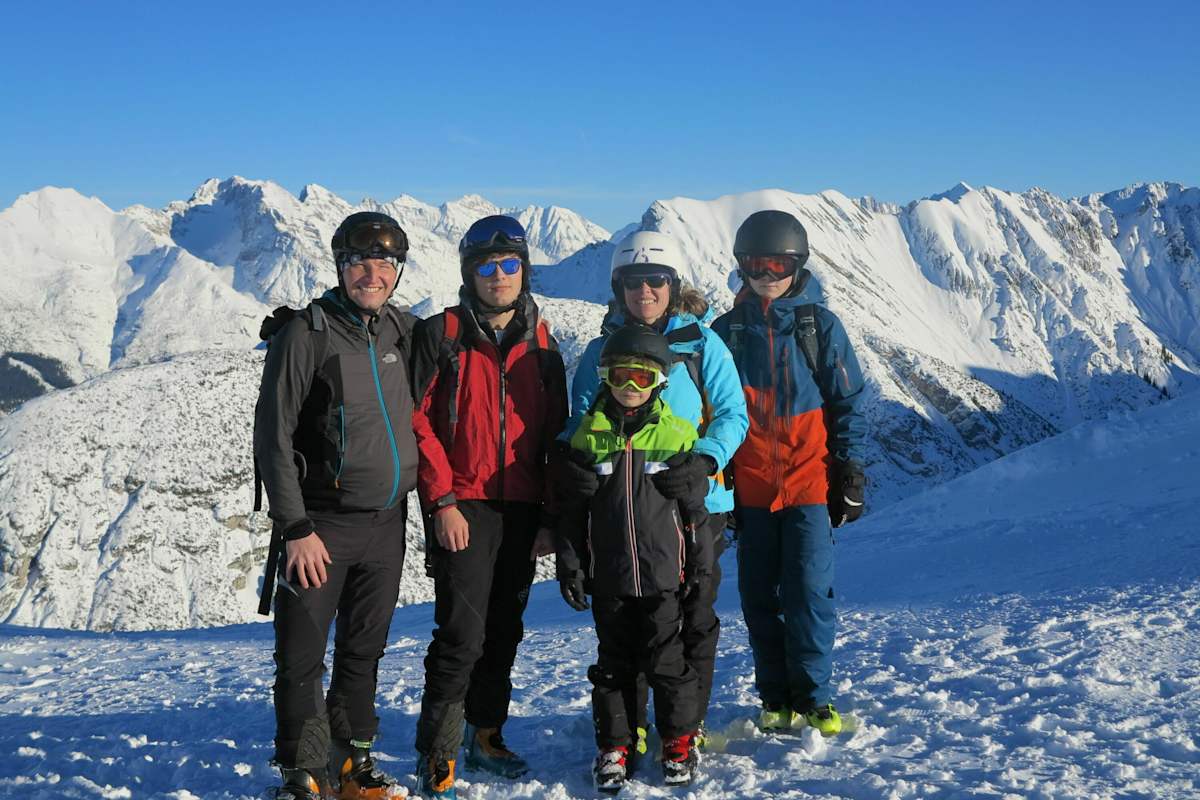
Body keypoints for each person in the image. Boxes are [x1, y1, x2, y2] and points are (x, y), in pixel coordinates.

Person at [560, 230, 748, 754]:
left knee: (693, 619)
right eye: (634, 282)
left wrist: (705, 462)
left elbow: (733, 413)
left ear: (672, 285)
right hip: (622, 510)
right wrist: (570, 462)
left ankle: (686, 727)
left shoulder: (701, 343)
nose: (645, 292)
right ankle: (634, 726)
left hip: (695, 506)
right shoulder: (601, 351)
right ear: (619, 287)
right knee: (631, 625)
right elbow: (578, 420)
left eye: (656, 281)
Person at [253, 211, 418, 800]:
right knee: (302, 654)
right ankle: (303, 774)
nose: (372, 274)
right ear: (340, 266)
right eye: (359, 262)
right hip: (320, 526)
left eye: (385, 263)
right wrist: (295, 527)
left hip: (386, 525)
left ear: (398, 271)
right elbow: (272, 438)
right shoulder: (308, 334)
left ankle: (351, 766)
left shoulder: (399, 327)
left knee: (363, 650)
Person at [409, 215, 568, 798]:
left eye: (509, 265)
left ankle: (486, 735)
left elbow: (555, 431)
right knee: (461, 634)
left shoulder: (544, 343)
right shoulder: (443, 333)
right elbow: (416, 419)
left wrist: (550, 516)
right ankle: (439, 749)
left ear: (523, 271)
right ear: (468, 272)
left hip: (523, 507)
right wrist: (441, 499)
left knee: (504, 631)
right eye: (486, 266)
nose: (498, 276)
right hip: (464, 504)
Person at [711, 209, 868, 737]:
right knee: (760, 600)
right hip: (750, 490)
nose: (766, 274)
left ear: (797, 265)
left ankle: (815, 698)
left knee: (808, 594)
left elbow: (847, 401)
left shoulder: (818, 327)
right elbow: (710, 409)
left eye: (777, 263)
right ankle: (775, 698)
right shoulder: (726, 331)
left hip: (807, 486)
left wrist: (848, 472)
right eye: (756, 263)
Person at [556, 324, 713, 792]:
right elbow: (573, 513)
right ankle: (615, 745)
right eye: (620, 376)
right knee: (613, 666)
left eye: (642, 379)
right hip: (610, 577)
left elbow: (694, 510)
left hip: (663, 574)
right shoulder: (590, 436)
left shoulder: (676, 435)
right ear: (604, 377)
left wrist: (700, 566)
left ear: (660, 382)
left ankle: (679, 740)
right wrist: (571, 563)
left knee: (668, 662)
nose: (629, 388)